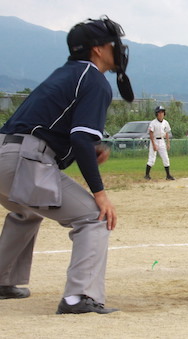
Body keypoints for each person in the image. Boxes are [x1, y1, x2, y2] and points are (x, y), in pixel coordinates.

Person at [0, 16, 134, 314]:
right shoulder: (94, 79)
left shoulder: (65, 73)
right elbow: (80, 139)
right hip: (23, 160)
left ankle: (2, 280)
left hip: (5, 154)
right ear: (98, 50)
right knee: (93, 218)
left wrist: (84, 150)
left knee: (26, 210)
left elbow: (55, 134)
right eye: (113, 44)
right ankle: (79, 297)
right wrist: (100, 194)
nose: (119, 49)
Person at [144, 105, 174, 180]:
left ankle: (168, 175)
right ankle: (147, 175)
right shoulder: (153, 123)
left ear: (164, 114)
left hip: (162, 141)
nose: (161, 114)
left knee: (166, 158)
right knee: (152, 159)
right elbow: (151, 133)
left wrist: (168, 143)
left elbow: (166, 133)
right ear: (156, 114)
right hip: (154, 140)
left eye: (162, 112)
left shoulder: (165, 122)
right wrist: (154, 145)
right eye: (159, 113)